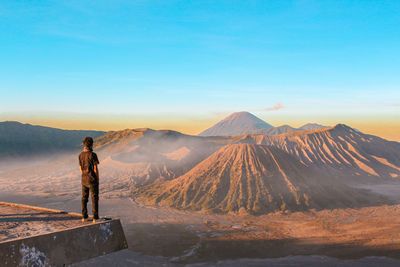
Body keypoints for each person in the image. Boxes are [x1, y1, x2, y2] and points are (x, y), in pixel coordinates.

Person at [79, 136, 100, 222]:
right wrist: (97, 179)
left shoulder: (80, 155)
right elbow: (95, 169)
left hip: (84, 179)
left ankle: (84, 216)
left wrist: (84, 175)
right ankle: (95, 217)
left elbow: (80, 168)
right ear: (91, 144)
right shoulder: (93, 155)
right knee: (94, 198)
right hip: (92, 179)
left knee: (84, 198)